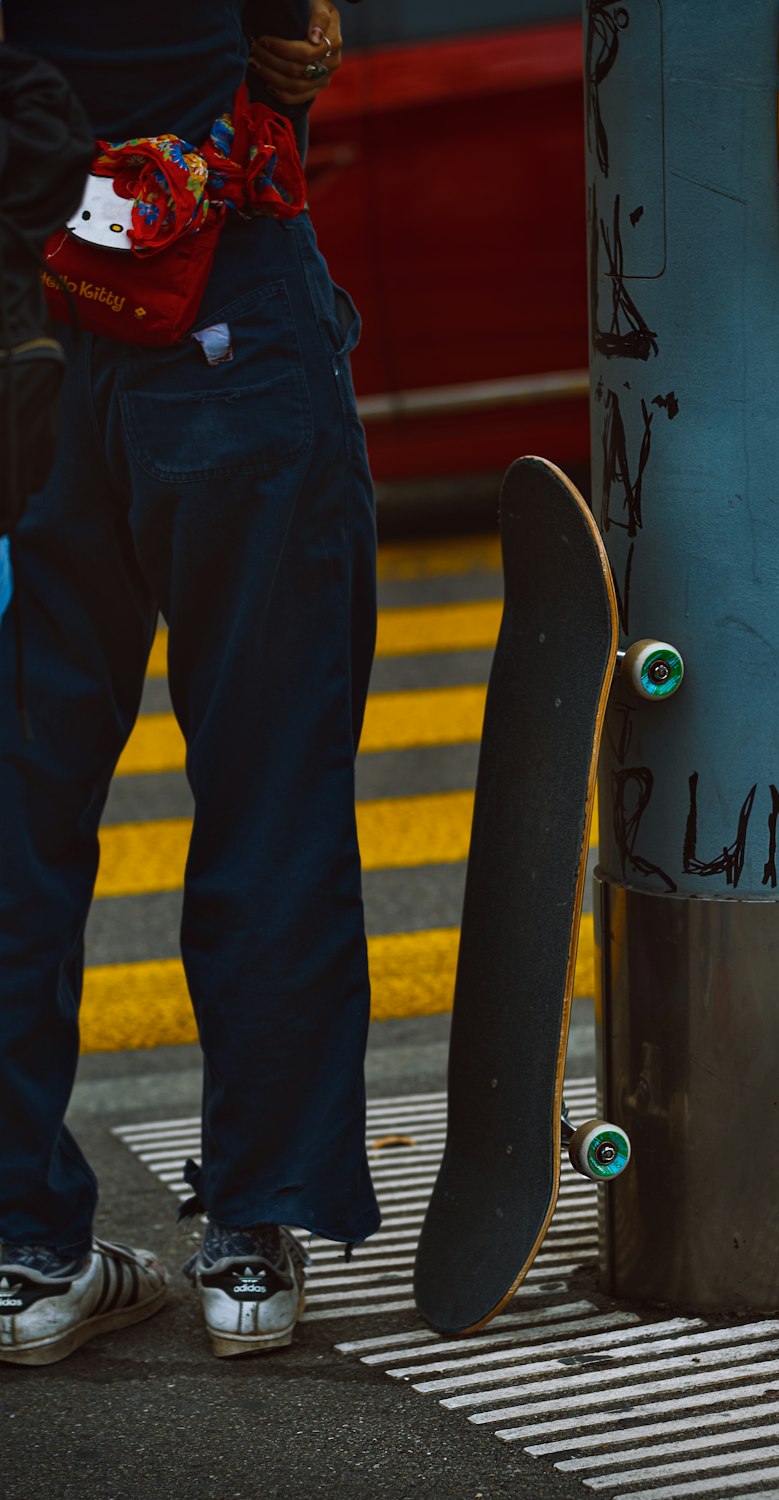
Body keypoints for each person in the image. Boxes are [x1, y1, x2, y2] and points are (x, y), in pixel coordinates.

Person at [0, 1, 380, 1364]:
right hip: (217, 293)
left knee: (13, 801)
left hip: (18, 336)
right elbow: (295, 37)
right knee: (270, 779)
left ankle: (20, 1251)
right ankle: (251, 1240)